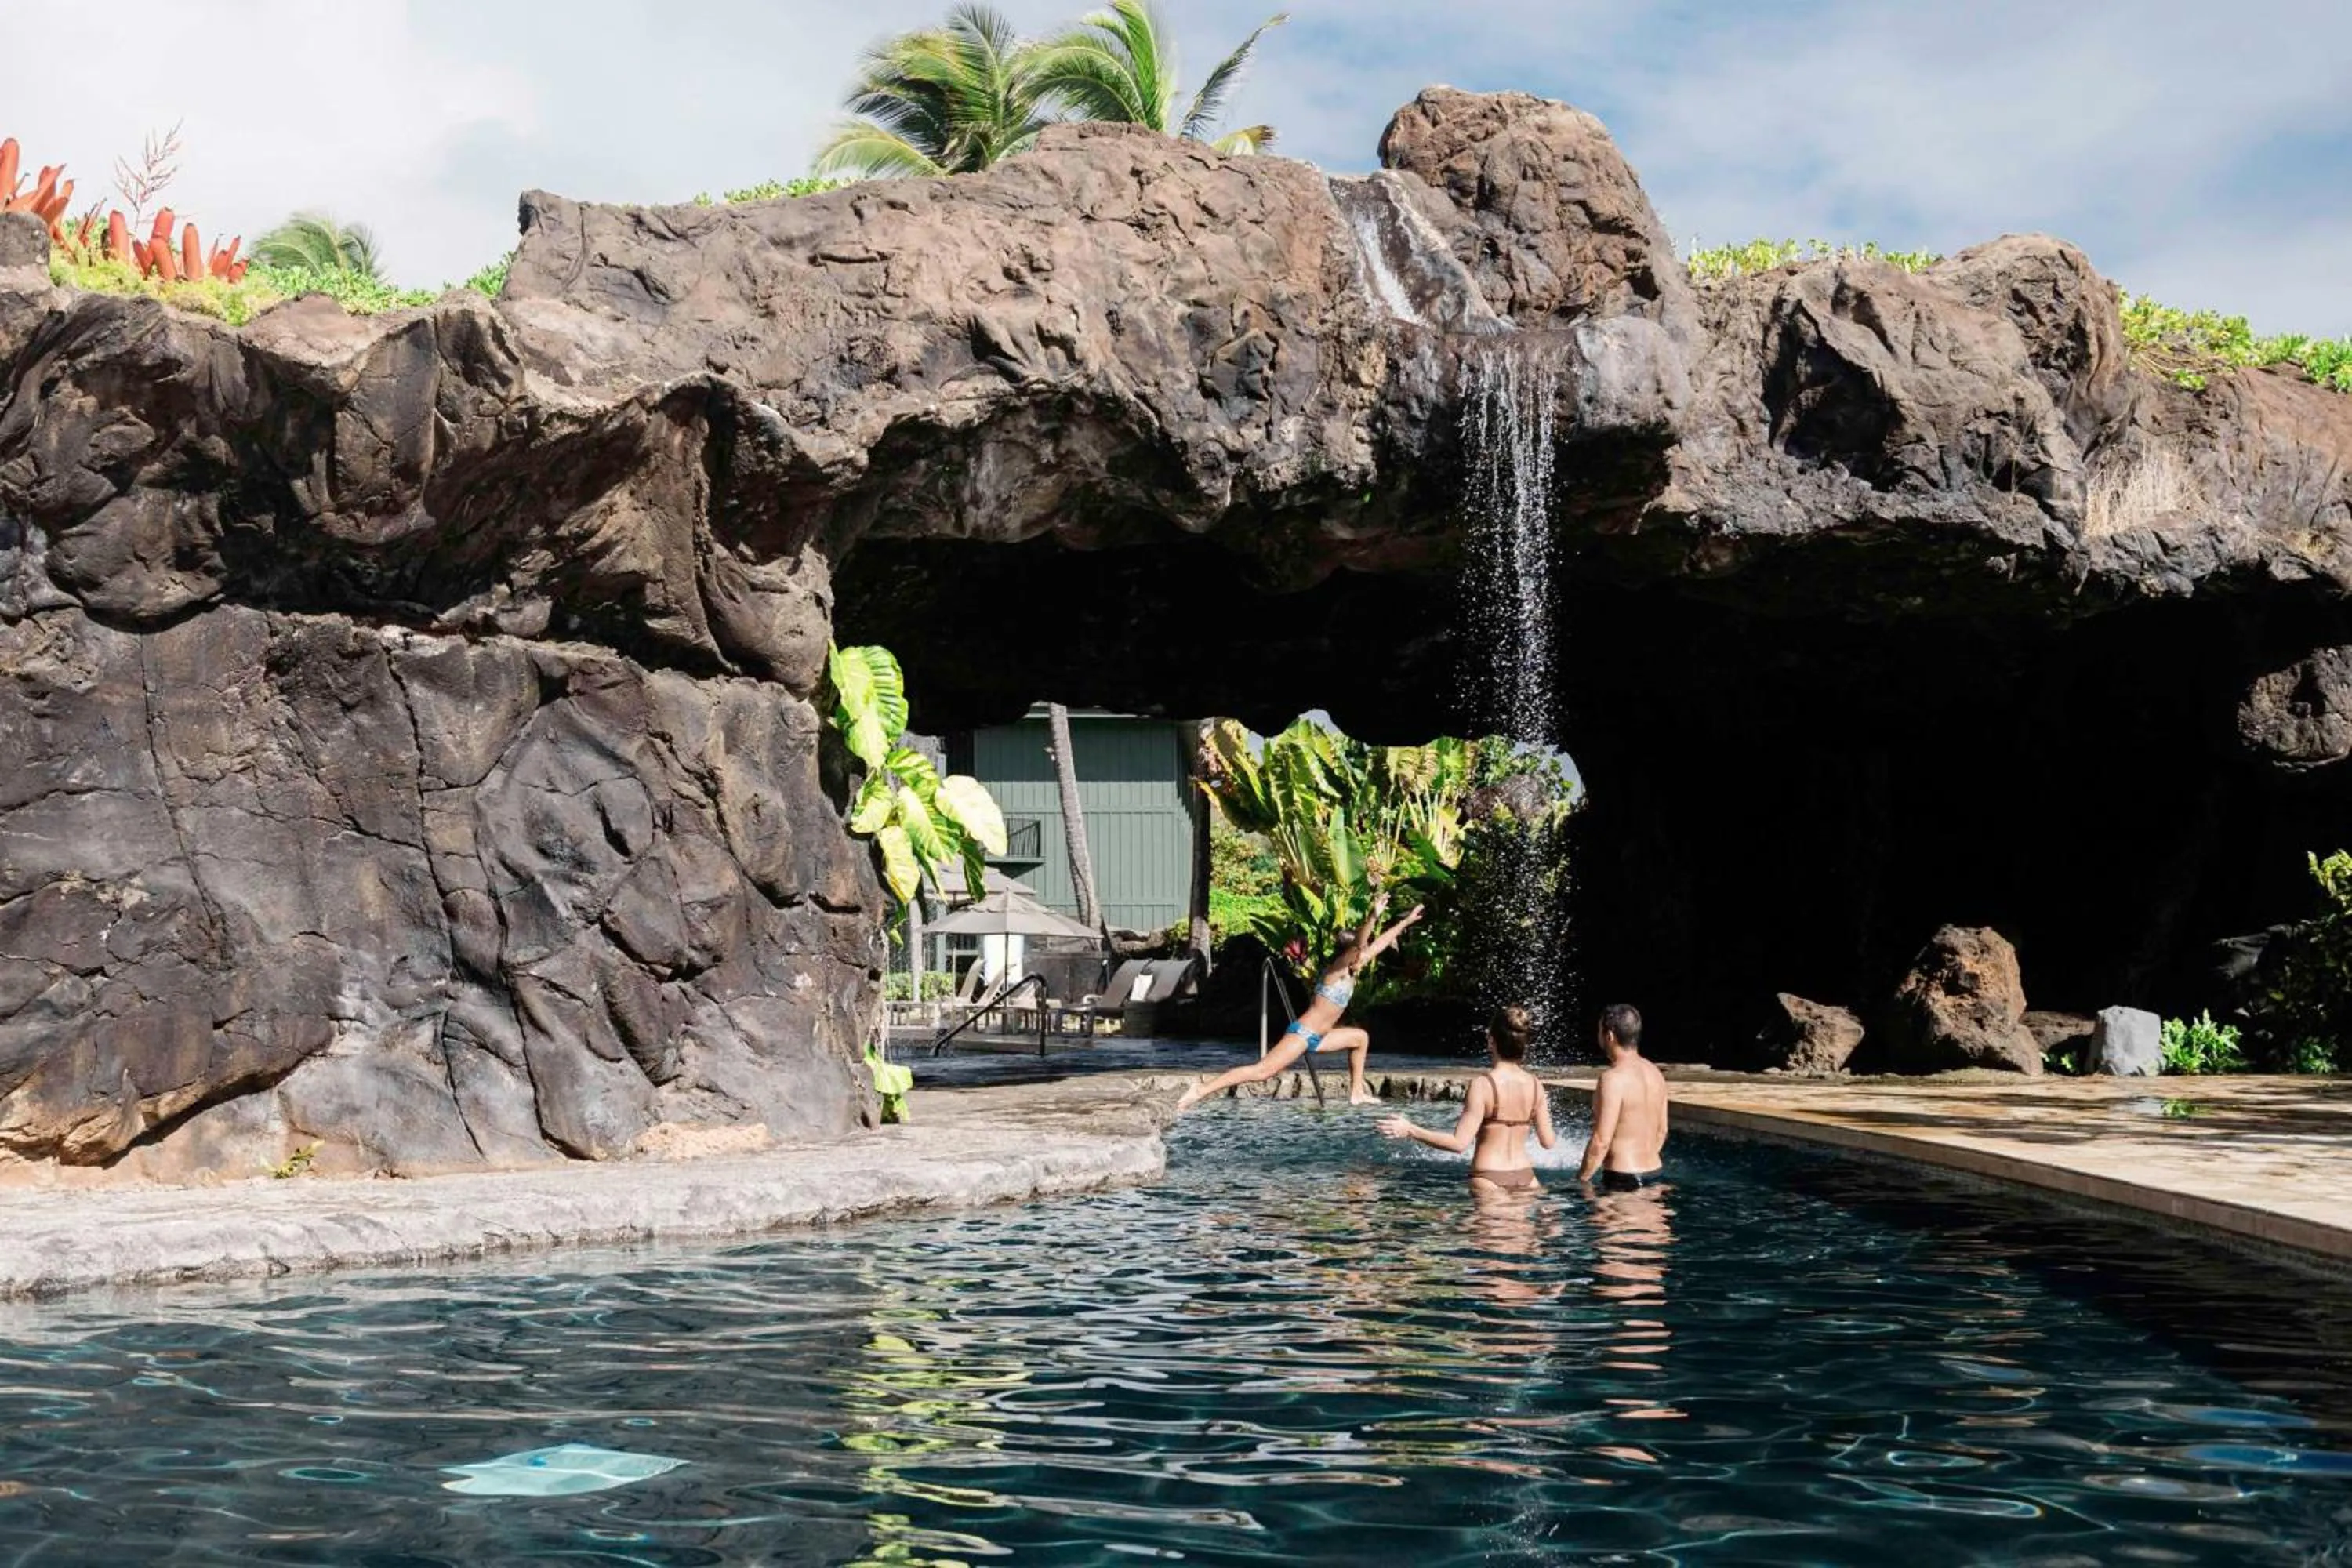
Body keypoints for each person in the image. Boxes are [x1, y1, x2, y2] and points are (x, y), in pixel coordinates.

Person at [1174, 894, 1424, 1111]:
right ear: (1350, 954)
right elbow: (1361, 943)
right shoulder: (1335, 971)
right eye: (1359, 952)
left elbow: (1376, 945)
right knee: (1261, 1072)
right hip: (1303, 1033)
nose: (1365, 954)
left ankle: (1357, 1092)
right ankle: (1201, 1089)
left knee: (1360, 1038)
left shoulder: (1352, 969)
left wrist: (1406, 921)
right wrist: (1372, 918)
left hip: (1321, 1036)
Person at [1374, 1004, 1556, 1193]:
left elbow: (1459, 1143)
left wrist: (1411, 1129)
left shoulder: (1483, 1085)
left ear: (1491, 1041)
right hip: (1527, 1178)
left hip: (1489, 1179)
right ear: (1524, 1045)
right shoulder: (1536, 1085)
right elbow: (1548, 1142)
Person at [1578, 1003, 1668, 1192]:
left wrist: (1582, 1181)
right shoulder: (1655, 1073)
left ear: (1609, 1036)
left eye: (1599, 1031)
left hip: (1623, 1177)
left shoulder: (1613, 1079)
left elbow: (1601, 1140)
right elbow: (1662, 1131)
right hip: (1655, 1174)